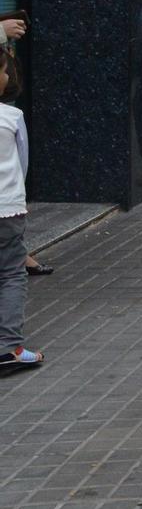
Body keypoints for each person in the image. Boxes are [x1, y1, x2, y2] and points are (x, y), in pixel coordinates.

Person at [0, 48, 41, 376]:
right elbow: (23, 162)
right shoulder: (12, 118)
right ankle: (9, 346)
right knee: (12, 273)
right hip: (8, 210)